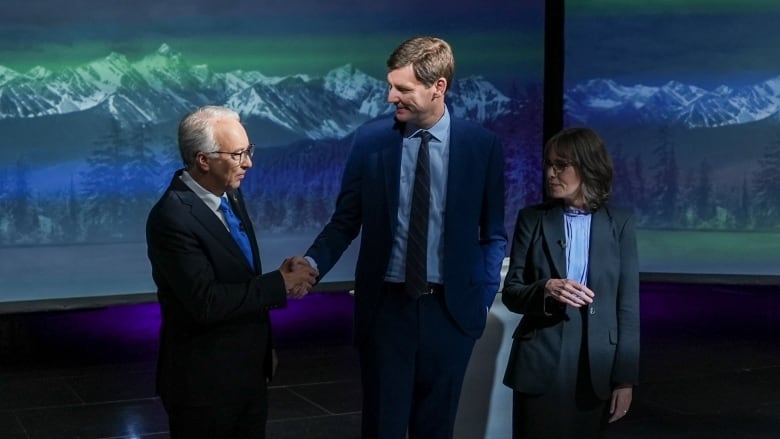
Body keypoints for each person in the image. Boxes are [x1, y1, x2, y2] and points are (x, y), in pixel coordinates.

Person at [298, 36, 507, 438]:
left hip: (451, 313)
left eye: (403, 89)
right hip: (386, 313)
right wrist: (311, 264)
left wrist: (479, 298)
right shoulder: (371, 142)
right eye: (391, 85)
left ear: (438, 87)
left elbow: (492, 233)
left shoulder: (483, 146)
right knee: (383, 429)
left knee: (436, 429)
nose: (391, 96)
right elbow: (345, 221)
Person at [146, 105, 318, 439]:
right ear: (203, 160)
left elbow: (236, 276)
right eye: (238, 154)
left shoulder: (230, 195)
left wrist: (277, 277)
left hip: (248, 374)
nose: (249, 163)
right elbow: (205, 302)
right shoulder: (172, 218)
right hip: (204, 387)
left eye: (248, 151)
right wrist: (277, 285)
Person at [501, 127, 639, 438]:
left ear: (588, 167)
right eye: (549, 164)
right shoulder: (532, 218)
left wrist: (625, 379)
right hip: (540, 362)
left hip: (596, 367)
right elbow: (512, 292)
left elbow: (627, 307)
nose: (551, 173)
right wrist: (545, 289)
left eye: (561, 165)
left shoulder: (621, 223)